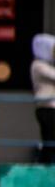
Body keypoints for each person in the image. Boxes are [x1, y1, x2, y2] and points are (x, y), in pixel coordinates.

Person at [33, 33, 55, 164]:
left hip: (52, 106)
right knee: (50, 138)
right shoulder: (38, 65)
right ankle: (44, 165)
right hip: (46, 107)